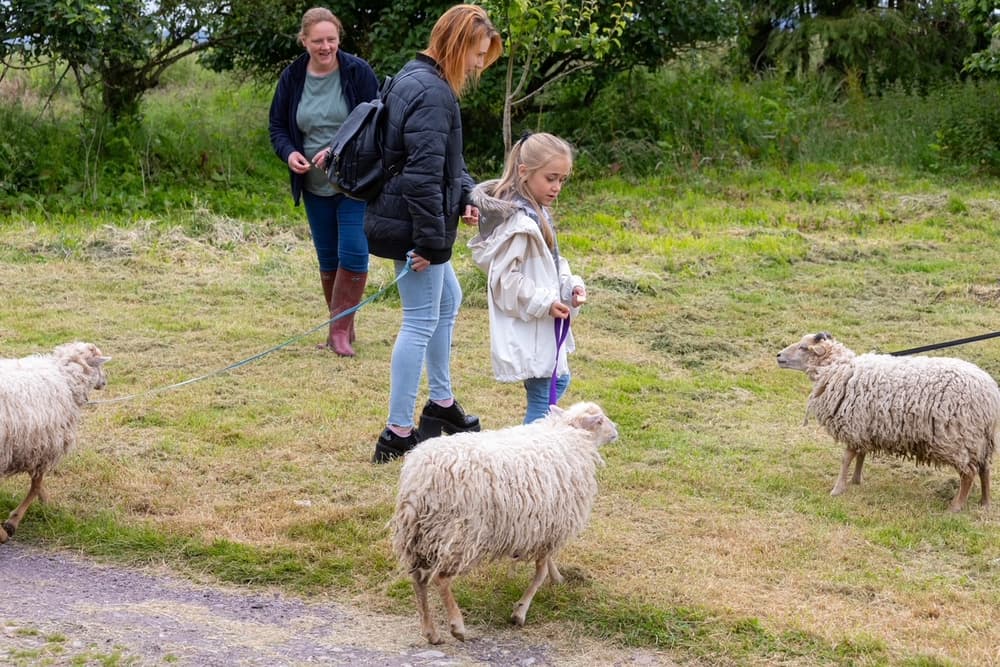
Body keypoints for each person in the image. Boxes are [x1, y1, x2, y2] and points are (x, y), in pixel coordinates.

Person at [365, 4, 503, 463]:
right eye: (477, 54)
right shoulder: (433, 93)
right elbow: (422, 178)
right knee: (420, 320)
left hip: (409, 218)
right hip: (414, 225)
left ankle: (440, 404)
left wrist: (464, 193)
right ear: (457, 44)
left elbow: (444, 163)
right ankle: (398, 432)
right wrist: (429, 243)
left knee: (448, 300)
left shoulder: (415, 77)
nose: (479, 65)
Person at [269, 7, 379, 357]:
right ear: (304, 41)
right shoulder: (292, 77)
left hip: (354, 183)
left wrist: (337, 149)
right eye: (318, 41)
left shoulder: (358, 72)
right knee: (328, 258)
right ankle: (341, 326)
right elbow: (278, 127)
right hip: (314, 185)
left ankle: (339, 334)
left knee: (355, 251)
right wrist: (289, 153)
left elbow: (375, 122)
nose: (326, 46)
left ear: (339, 39)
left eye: (331, 39)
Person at [468, 132, 586, 424]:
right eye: (551, 178)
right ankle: (529, 450)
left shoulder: (538, 213)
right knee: (544, 397)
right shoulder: (519, 224)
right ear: (524, 172)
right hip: (531, 324)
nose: (557, 187)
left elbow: (551, 264)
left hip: (542, 323)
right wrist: (544, 303)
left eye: (562, 180)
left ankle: (531, 447)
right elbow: (504, 281)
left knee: (556, 383)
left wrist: (571, 286)